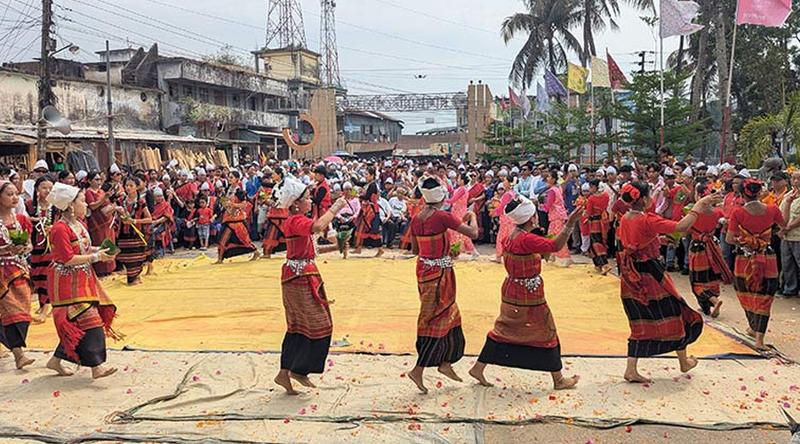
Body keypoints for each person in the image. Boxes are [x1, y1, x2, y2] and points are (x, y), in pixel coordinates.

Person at [469, 196, 582, 390]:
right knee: (546, 330)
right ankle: (558, 380)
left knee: (504, 330)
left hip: (512, 290)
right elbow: (555, 246)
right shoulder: (526, 239)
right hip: (528, 295)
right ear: (532, 218)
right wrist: (570, 223)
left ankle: (478, 368)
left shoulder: (512, 235)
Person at [616, 181, 721, 383]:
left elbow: (635, 243)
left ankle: (635, 368)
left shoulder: (625, 218)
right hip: (650, 274)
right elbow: (682, 226)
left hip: (630, 273)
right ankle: (682, 362)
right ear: (644, 199)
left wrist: (659, 240)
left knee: (640, 320)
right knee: (677, 312)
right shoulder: (647, 220)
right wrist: (699, 205)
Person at [273, 177, 348, 395]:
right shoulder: (296, 220)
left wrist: (337, 245)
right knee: (314, 325)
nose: (310, 201)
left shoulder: (298, 222)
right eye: (307, 198)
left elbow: (312, 251)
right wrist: (335, 207)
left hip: (303, 276)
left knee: (302, 326)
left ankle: (293, 371)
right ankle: (294, 370)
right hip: (298, 279)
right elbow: (318, 226)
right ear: (296, 203)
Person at [407, 177, 479, 394]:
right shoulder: (442, 216)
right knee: (436, 318)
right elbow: (473, 233)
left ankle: (445, 362)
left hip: (424, 270)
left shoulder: (417, 218)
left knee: (446, 315)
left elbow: (415, 250)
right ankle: (419, 369)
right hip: (439, 273)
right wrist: (473, 216)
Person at [45, 182, 118, 379]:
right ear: (70, 205)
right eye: (83, 201)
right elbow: (67, 259)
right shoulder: (59, 229)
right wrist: (96, 257)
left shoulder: (79, 225)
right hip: (67, 283)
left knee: (77, 323)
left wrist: (100, 250)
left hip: (83, 279)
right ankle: (97, 367)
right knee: (90, 320)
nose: (86, 205)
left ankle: (56, 360)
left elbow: (83, 248)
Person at [726, 179, 785, 350]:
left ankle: (753, 326)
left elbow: (730, 239)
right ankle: (759, 338)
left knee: (745, 292)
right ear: (760, 192)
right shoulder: (772, 209)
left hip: (745, 259)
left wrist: (747, 241)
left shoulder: (738, 213)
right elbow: (783, 226)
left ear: (742, 194)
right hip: (767, 257)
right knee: (765, 295)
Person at [0, 181, 35, 369]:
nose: (15, 198)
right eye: (9, 194)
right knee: (11, 311)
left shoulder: (21, 219)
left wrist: (24, 248)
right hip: (2, 273)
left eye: (16, 194)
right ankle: (18, 354)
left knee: (23, 311)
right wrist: (6, 249)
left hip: (20, 270)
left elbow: (29, 244)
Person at [688, 182, 731, 317]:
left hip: (698, 247)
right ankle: (710, 303)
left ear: (699, 195)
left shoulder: (693, 213)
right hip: (712, 246)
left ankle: (713, 301)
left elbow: (685, 230)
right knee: (711, 276)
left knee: (697, 280)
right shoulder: (717, 212)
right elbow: (722, 222)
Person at [28, 176, 56, 323]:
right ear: (37, 189)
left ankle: (46, 307)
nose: (47, 191)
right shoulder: (30, 206)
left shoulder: (56, 206)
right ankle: (43, 304)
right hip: (35, 247)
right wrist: (32, 220)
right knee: (37, 276)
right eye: (44, 187)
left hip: (51, 247)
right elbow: (22, 221)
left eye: (50, 188)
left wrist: (53, 228)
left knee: (47, 276)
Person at [217, 171, 260, 263]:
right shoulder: (227, 190)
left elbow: (244, 205)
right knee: (222, 238)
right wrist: (223, 201)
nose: (229, 179)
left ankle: (255, 251)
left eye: (231, 177)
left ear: (237, 179)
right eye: (229, 177)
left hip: (237, 220)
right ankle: (220, 258)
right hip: (227, 218)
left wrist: (233, 205)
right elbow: (224, 202)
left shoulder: (239, 191)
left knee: (244, 240)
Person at [116, 177, 152, 285]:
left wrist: (134, 221)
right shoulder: (121, 201)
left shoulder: (141, 202)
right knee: (127, 259)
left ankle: (134, 278)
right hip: (123, 235)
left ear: (136, 187)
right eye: (126, 185)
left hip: (136, 234)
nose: (128, 188)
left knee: (136, 259)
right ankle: (132, 278)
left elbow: (149, 219)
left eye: (131, 185)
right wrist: (118, 213)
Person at [85, 171, 118, 277]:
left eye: (100, 179)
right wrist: (104, 198)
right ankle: (101, 271)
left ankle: (111, 268)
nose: (99, 182)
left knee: (110, 242)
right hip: (97, 223)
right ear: (89, 181)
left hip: (107, 221)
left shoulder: (101, 191)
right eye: (96, 179)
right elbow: (93, 206)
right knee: (100, 243)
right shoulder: (88, 192)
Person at [541, 172, 571, 266]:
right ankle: (552, 256)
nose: (547, 178)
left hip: (556, 216)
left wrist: (541, 206)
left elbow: (548, 206)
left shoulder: (552, 191)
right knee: (551, 235)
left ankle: (564, 258)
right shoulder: (557, 189)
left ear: (553, 179)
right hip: (557, 215)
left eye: (549, 177)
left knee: (557, 236)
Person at [354, 167, 385, 257]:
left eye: (367, 174)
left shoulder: (373, 185)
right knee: (361, 227)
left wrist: (357, 196)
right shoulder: (368, 184)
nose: (365, 176)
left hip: (371, 210)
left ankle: (380, 249)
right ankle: (358, 248)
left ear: (372, 175)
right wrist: (351, 175)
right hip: (367, 209)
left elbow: (367, 197)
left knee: (373, 231)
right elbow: (357, 183)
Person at [446, 173, 477, 258]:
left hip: (459, 212)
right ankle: (471, 251)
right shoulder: (461, 189)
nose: (457, 180)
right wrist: (446, 183)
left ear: (462, 181)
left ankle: (457, 251)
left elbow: (452, 200)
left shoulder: (462, 189)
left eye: (459, 179)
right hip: (459, 211)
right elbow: (452, 192)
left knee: (457, 231)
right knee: (462, 232)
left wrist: (442, 200)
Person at [586, 179, 612, 274]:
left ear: (595, 187)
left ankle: (605, 264)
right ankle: (598, 265)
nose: (589, 189)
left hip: (595, 223)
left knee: (596, 244)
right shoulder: (605, 195)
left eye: (591, 187)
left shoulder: (591, 199)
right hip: (604, 221)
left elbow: (589, 212)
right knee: (597, 243)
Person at [780, 171, 800, 298]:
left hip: (797, 235)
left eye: (799, 178)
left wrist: (789, 227)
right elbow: (781, 212)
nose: (796, 181)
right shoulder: (788, 195)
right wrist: (782, 228)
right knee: (787, 264)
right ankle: (790, 289)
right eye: (794, 178)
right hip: (786, 236)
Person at [263, 168, 288, 259]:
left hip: (280, 214)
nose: (272, 176)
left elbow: (279, 201)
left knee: (271, 234)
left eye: (274, 174)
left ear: (279, 175)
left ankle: (267, 252)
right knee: (272, 234)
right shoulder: (276, 185)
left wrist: (269, 202)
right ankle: (267, 252)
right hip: (275, 214)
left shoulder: (284, 187)